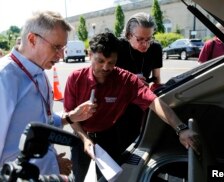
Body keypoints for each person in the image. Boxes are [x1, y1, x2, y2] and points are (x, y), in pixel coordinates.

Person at [64, 32, 200, 181]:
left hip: (109, 138)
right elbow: (70, 116)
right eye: (100, 61)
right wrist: (85, 139)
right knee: (79, 177)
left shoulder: (126, 80)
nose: (105, 67)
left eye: (111, 62)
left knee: (111, 178)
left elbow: (154, 101)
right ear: (90, 55)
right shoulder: (75, 79)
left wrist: (181, 128)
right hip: (80, 136)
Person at [0, 11, 96, 176]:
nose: (60, 55)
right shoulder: (4, 78)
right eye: (56, 47)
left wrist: (71, 117)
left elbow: (41, 122)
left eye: (63, 48)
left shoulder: (40, 71)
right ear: (32, 39)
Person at [115, 12, 163, 150]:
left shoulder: (155, 48)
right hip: (118, 104)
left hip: (140, 102)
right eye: (140, 39)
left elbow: (157, 79)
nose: (145, 44)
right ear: (129, 35)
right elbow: (103, 75)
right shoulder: (118, 47)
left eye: (149, 39)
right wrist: (130, 79)